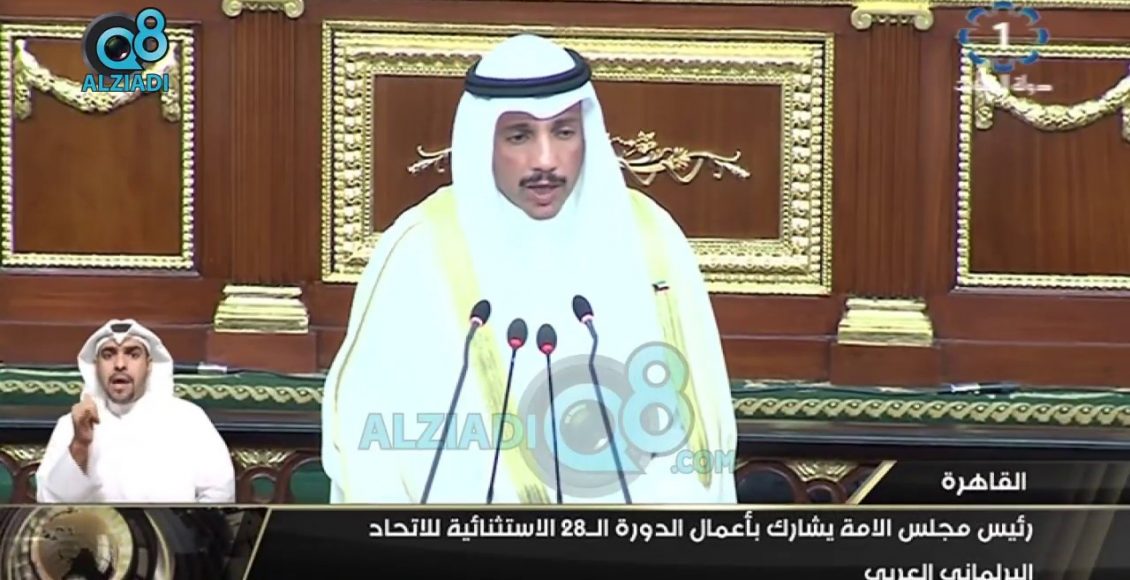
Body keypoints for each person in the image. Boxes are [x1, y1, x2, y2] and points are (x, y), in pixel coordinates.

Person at [321, 34, 737, 504]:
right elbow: (368, 430)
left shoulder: (648, 235)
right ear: (484, 140)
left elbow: (705, 409)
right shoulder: (420, 248)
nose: (545, 161)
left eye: (564, 132)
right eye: (519, 136)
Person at [36, 319, 236, 503]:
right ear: (96, 367)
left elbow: (220, 493)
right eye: (108, 355)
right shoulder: (71, 426)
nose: (119, 365)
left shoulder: (188, 419)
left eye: (133, 354)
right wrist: (80, 445)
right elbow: (48, 502)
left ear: (149, 365)